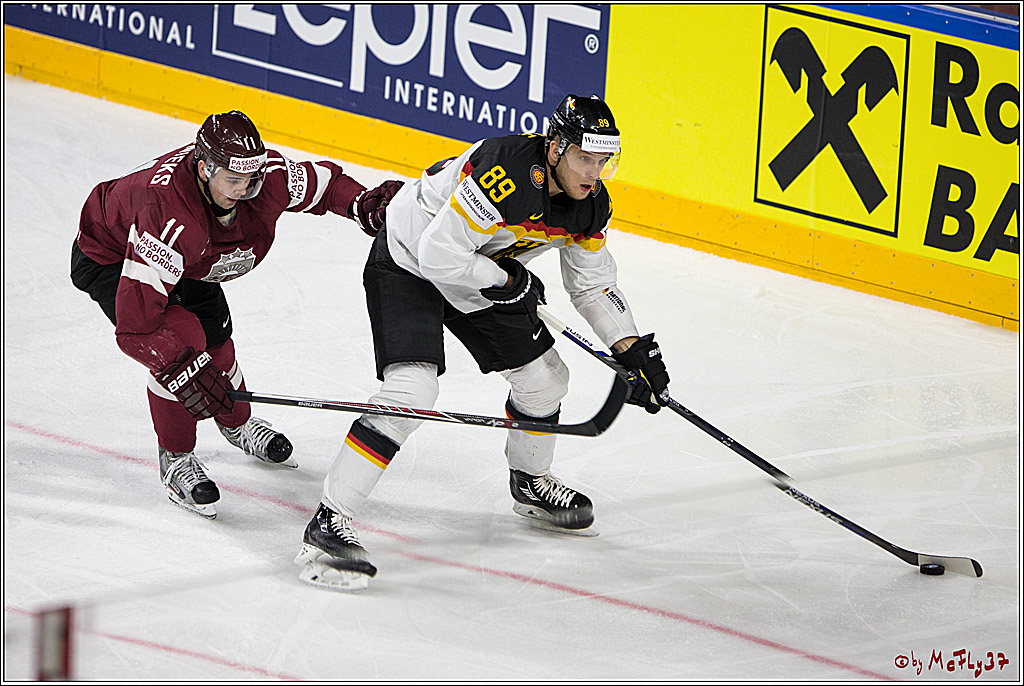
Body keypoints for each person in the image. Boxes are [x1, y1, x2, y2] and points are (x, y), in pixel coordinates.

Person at [295, 94, 671, 590]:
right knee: (412, 393)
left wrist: (629, 347)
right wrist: (502, 279)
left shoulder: (591, 204)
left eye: (605, 162)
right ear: (555, 148)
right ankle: (328, 522)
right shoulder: (504, 170)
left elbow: (592, 284)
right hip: (410, 260)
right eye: (585, 158)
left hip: (473, 273)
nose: (594, 172)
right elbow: (437, 255)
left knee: (545, 380)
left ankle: (530, 484)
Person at [71, 110, 403, 519]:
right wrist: (178, 367)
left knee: (219, 350)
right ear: (204, 167)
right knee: (184, 346)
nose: (246, 191)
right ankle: (175, 457)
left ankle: (237, 423)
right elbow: (138, 328)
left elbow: (325, 185)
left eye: (252, 180)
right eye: (233, 181)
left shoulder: (266, 179)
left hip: (191, 261)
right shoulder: (169, 218)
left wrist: (361, 204)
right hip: (112, 255)